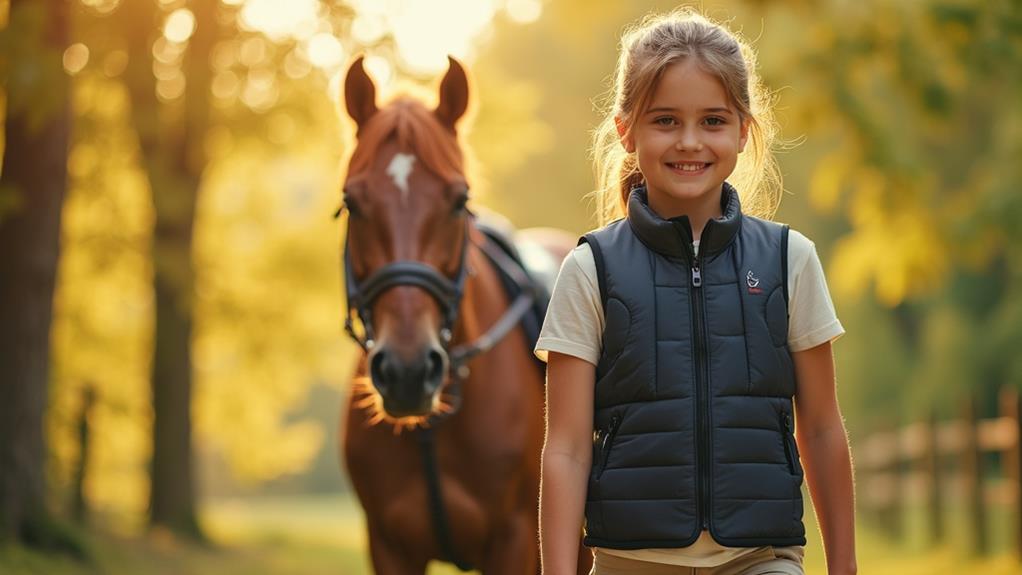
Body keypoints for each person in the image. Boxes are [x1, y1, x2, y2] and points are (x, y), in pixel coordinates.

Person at [537, 9, 857, 575]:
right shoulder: (590, 270)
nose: (690, 141)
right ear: (626, 130)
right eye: (665, 120)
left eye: (712, 120)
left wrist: (845, 569)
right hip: (628, 561)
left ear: (743, 130)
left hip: (760, 557)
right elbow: (565, 448)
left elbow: (825, 427)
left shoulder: (791, 261)